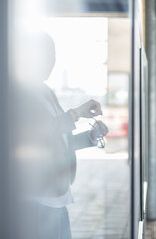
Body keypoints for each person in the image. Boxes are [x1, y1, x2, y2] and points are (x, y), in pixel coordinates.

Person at [13, 32, 108, 239]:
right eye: (45, 56)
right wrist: (75, 114)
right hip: (36, 199)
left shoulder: (46, 92)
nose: (51, 63)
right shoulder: (17, 92)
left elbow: (57, 140)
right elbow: (37, 134)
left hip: (58, 195)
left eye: (53, 57)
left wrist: (91, 136)